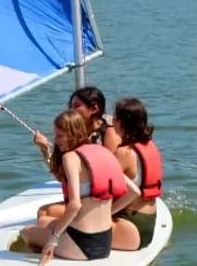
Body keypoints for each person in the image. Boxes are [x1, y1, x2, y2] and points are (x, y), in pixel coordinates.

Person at [18, 109, 137, 261]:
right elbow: (134, 191)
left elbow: (75, 205)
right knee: (46, 223)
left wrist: (53, 240)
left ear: (73, 133)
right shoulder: (103, 152)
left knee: (26, 232)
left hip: (80, 244)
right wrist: (109, 213)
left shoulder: (70, 157)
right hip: (105, 243)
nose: (56, 140)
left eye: (60, 135)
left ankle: (48, 257)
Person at [31, 86, 121, 223]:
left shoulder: (109, 133)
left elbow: (109, 177)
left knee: (45, 213)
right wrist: (44, 150)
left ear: (94, 109)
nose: (71, 111)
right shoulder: (75, 136)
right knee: (44, 213)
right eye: (70, 107)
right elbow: (62, 177)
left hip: (102, 203)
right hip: (86, 199)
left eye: (76, 106)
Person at [111, 97, 164, 251]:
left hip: (129, 226)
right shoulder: (150, 146)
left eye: (114, 117)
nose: (112, 119)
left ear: (120, 123)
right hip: (148, 223)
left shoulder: (123, 153)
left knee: (60, 225)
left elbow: (101, 187)